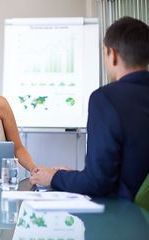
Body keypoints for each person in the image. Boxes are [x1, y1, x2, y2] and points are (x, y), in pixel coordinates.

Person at [29, 16, 149, 201]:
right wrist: (77, 177)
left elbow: (98, 183)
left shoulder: (106, 98)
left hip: (125, 221)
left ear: (113, 55)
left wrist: (54, 177)